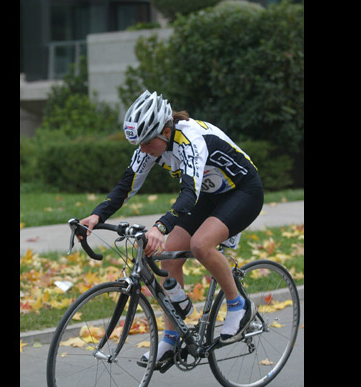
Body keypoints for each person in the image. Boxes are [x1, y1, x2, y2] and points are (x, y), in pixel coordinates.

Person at [78, 90, 264, 369]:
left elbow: (189, 193)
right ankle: (172, 338)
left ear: (166, 130)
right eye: (138, 144)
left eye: (146, 143)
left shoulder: (191, 140)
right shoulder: (152, 143)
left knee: (201, 245)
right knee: (169, 254)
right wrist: (96, 215)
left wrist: (160, 227)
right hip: (209, 195)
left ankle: (239, 306)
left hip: (243, 192)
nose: (142, 150)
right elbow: (127, 185)